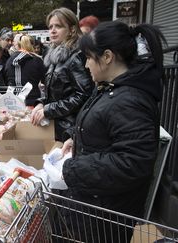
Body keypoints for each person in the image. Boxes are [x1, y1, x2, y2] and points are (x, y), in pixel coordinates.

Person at [58, 21, 166, 243]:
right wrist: (76, 139)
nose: (87, 65)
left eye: (89, 57)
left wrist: (71, 169)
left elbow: (133, 161)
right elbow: (104, 130)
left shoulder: (130, 99)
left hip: (105, 215)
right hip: (96, 204)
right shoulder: (111, 88)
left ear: (107, 57)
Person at [31, 7, 94, 142]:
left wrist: (48, 110)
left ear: (71, 29)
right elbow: (55, 93)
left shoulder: (76, 56)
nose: (52, 30)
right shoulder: (54, 55)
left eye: (58, 26)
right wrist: (41, 103)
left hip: (71, 130)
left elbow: (83, 96)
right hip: (56, 127)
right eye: (50, 26)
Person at [5, 35, 46, 106]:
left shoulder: (9, 60)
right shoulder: (37, 60)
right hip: (33, 101)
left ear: (19, 45)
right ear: (32, 45)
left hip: (12, 101)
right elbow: (44, 80)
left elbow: (6, 78)